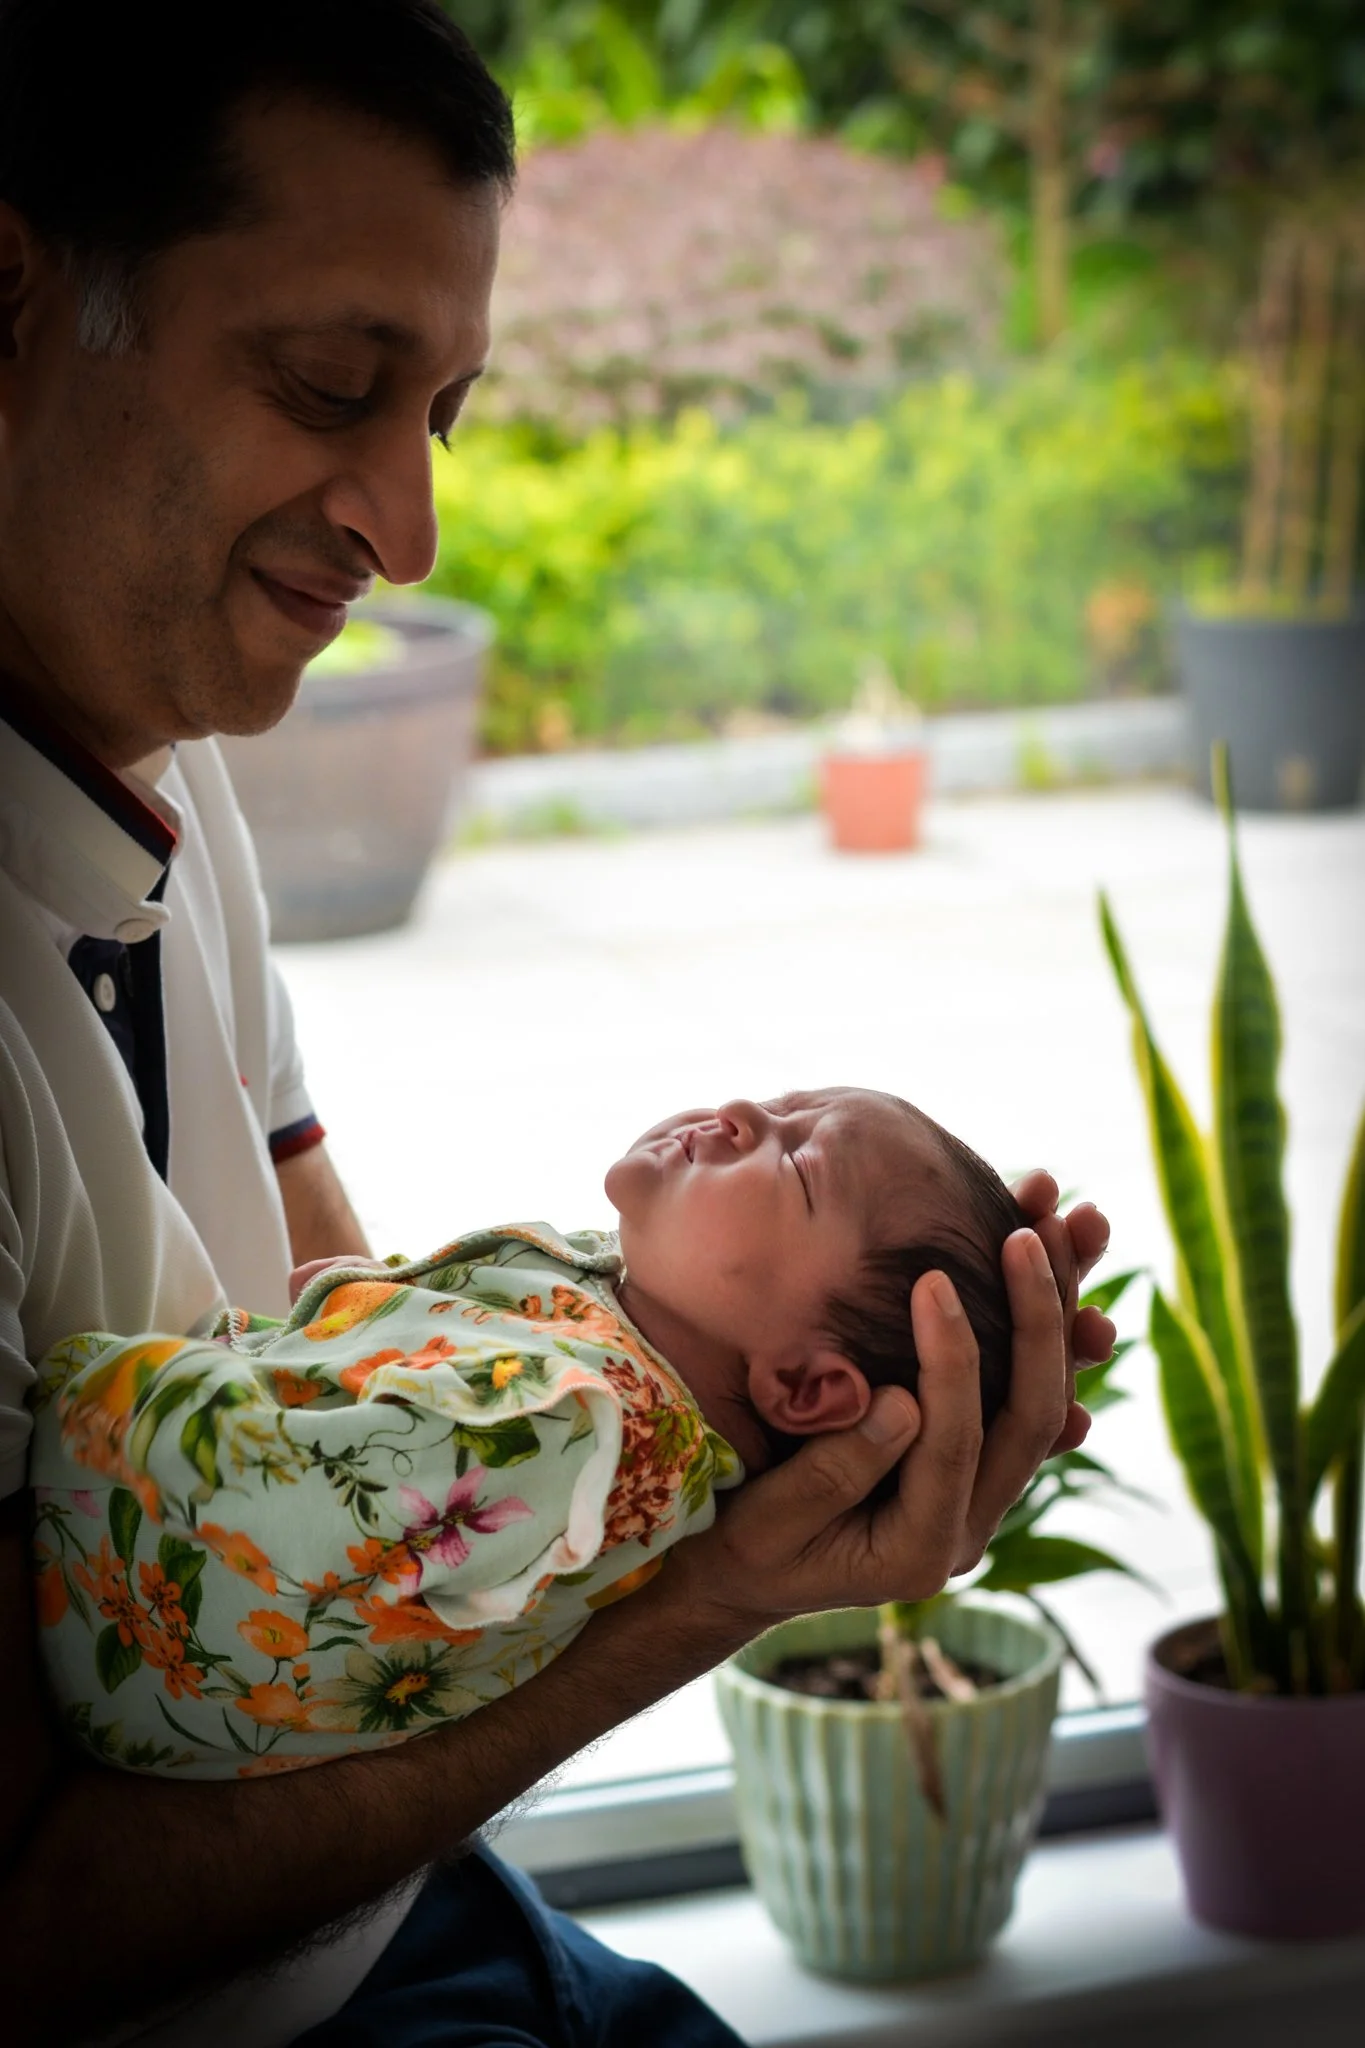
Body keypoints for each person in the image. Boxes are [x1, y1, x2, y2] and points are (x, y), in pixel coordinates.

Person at [0, 4, 1115, 2043]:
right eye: (331, 385)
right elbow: (26, 1916)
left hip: (383, 1905)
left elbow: (334, 1288)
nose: (407, 534)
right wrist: (719, 1588)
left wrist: (779, 1371)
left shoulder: (174, 753)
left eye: (441, 415)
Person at [34, 1088, 1036, 1779]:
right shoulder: (634, 1332)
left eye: (798, 1164)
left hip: (113, 1603)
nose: (740, 1113)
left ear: (806, 1384)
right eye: (783, 1100)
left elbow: (279, 1509)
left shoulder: (587, 1436)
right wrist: (358, 1320)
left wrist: (97, 1380)